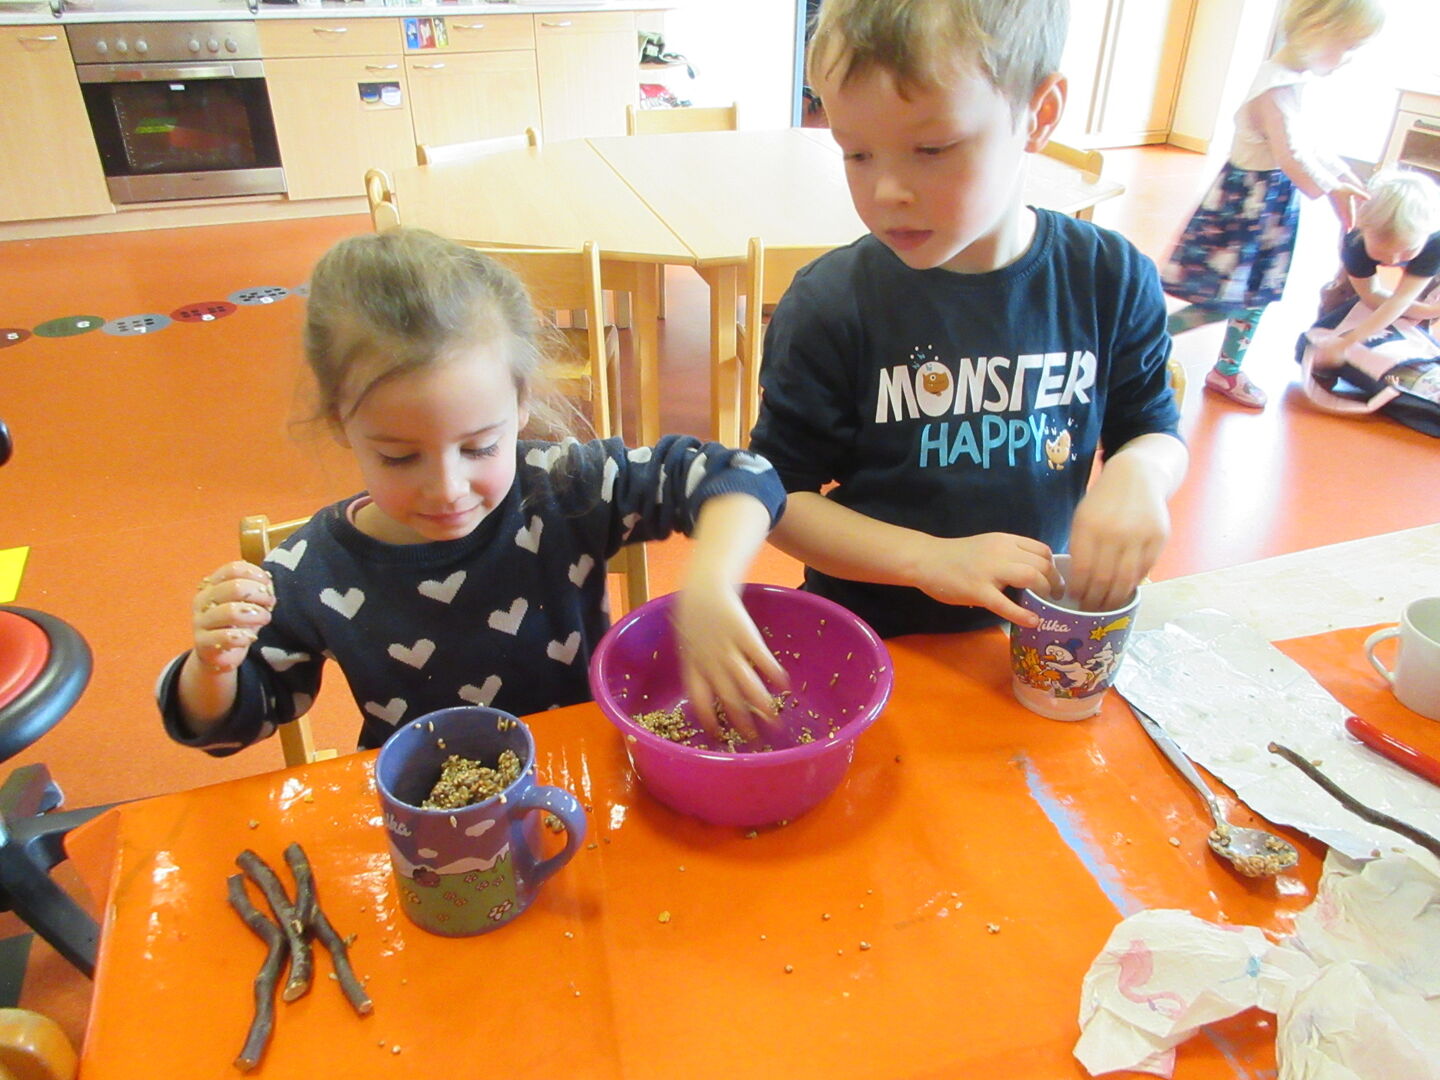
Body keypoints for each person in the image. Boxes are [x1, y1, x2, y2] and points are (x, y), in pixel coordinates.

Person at [157, 228, 788, 754]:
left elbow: (740, 473)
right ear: (339, 423)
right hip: (428, 817)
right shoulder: (311, 570)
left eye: (481, 447)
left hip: (582, 779)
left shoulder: (566, 488)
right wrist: (212, 666)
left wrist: (709, 586)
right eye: (399, 456)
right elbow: (236, 722)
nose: (447, 489)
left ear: (519, 403)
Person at [748, 0, 1188, 641]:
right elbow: (775, 495)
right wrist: (926, 559)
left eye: (932, 148)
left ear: (1039, 115)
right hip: (872, 636)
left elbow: (1151, 427)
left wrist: (1141, 471)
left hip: (1029, 629)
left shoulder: (1109, 277)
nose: (887, 191)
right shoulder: (831, 303)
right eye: (857, 153)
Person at [1162, 0, 1385, 409]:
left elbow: (1310, 144)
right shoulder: (1274, 86)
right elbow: (1291, 155)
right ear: (1318, 31)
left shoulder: (1295, 80)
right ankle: (1142, 337)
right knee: (1226, 300)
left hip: (1271, 204)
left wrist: (1347, 178)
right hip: (1246, 206)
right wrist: (1333, 190)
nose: (1349, 58)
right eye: (1348, 46)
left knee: (1256, 295)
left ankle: (1227, 369)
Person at [1312, 168, 1440, 364]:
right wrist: (1344, 341)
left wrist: (1429, 312)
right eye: (1382, 251)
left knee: (1415, 323)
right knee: (1338, 298)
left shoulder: (1434, 242)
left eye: (1406, 250)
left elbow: (1400, 300)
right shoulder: (1355, 243)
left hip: (1429, 254)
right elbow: (1371, 296)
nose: (1393, 260)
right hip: (1362, 255)